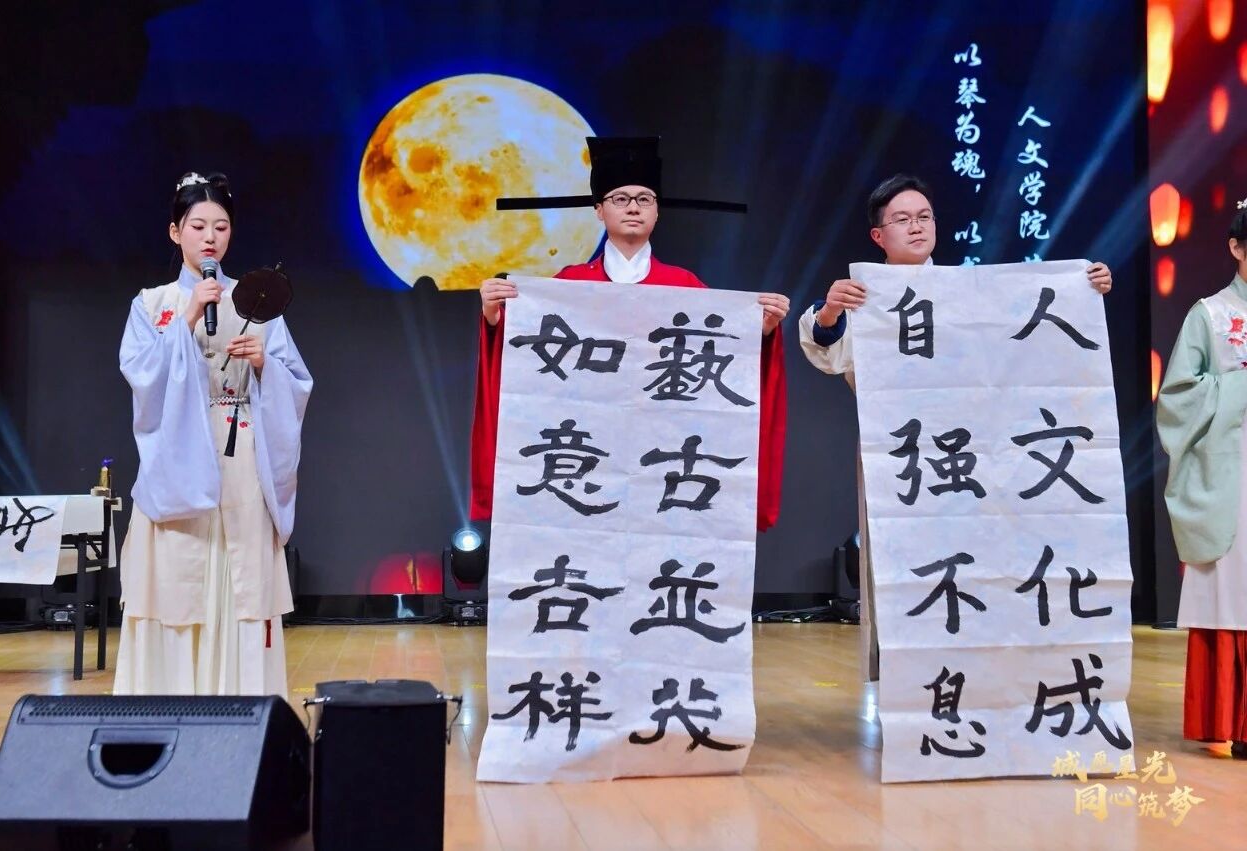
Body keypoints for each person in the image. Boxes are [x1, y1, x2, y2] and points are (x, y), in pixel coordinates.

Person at [797, 173, 1112, 678]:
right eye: (902, 219)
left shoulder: (968, 292)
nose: (916, 227)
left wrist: (1084, 290)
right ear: (878, 235)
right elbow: (826, 351)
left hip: (971, 454)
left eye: (924, 217)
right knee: (906, 566)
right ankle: (909, 682)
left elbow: (1029, 333)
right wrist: (832, 309)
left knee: (972, 560)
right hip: (902, 454)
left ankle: (977, 677)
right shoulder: (864, 296)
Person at [471, 137, 789, 531]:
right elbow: (522, 365)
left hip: (660, 448)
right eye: (620, 199)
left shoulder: (685, 287)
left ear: (657, 211)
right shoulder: (568, 285)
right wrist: (495, 317)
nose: (634, 207)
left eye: (645, 199)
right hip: (587, 445)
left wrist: (761, 331)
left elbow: (726, 361)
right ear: (598, 210)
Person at [113, 172, 312, 698]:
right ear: (175, 231)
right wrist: (187, 318)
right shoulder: (151, 304)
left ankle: (241, 711)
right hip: (178, 459)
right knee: (175, 584)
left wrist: (264, 363)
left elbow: (297, 382)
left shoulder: (256, 301)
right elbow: (140, 376)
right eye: (198, 225)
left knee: (240, 584)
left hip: (240, 456)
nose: (210, 237)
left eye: (220, 227)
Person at [1157, 199, 1247, 758]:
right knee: (1235, 594)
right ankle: (1236, 721)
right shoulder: (1210, 316)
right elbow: (1176, 398)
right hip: (1231, 477)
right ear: (1236, 248)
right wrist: (1238, 385)